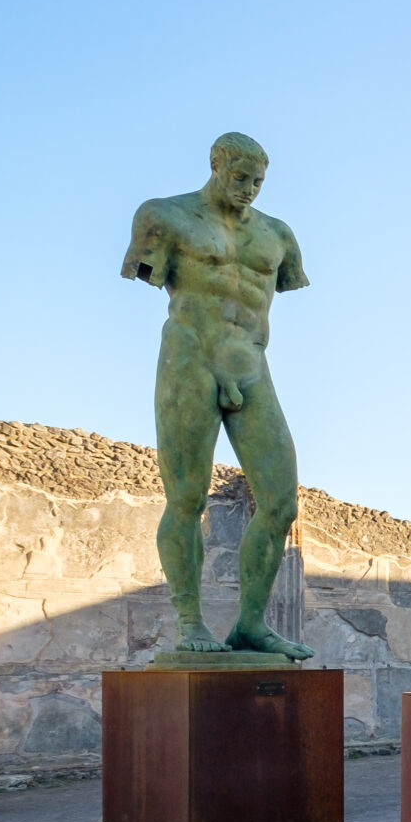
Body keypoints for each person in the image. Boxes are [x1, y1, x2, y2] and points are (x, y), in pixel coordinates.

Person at [120, 132, 312, 660]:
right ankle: (189, 620)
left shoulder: (277, 235)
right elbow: (150, 275)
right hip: (189, 360)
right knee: (186, 497)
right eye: (240, 177)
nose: (249, 188)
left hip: (251, 365)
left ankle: (250, 625)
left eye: (258, 181)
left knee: (279, 502)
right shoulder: (164, 216)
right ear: (216, 164)